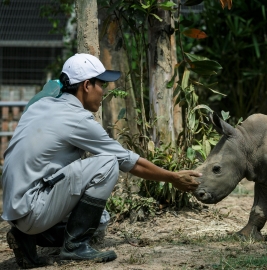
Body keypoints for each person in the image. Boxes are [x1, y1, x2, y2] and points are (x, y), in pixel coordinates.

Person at [1, 53, 201, 268]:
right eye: (101, 85)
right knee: (107, 162)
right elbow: (128, 161)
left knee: (100, 221)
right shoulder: (76, 118)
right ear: (87, 85)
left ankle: (27, 238)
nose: (103, 92)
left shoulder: (40, 105)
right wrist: (172, 177)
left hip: (17, 211)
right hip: (34, 209)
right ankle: (74, 247)